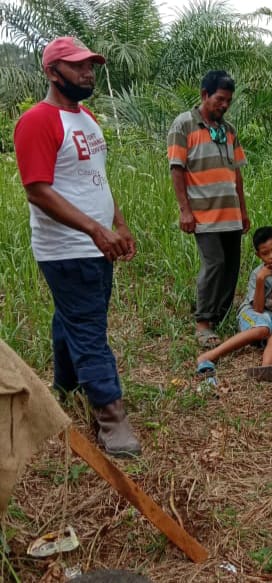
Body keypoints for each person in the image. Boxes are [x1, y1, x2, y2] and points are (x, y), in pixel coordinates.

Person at [13, 37, 141, 457]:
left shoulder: (86, 117)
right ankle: (111, 418)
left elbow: (96, 180)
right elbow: (37, 190)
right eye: (78, 66)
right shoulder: (37, 120)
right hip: (68, 248)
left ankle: (64, 386)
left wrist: (117, 223)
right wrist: (92, 229)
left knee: (74, 315)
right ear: (53, 72)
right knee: (89, 329)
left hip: (94, 243)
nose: (89, 72)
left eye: (91, 65)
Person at [167, 69, 249, 348]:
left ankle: (220, 318)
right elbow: (177, 169)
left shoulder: (228, 131)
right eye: (220, 99)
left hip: (231, 213)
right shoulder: (184, 125)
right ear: (204, 95)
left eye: (228, 101)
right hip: (204, 214)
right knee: (214, 263)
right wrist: (184, 211)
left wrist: (244, 211)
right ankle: (203, 322)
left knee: (231, 268)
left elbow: (236, 173)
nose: (224, 105)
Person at [195, 226, 272, 383]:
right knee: (263, 329)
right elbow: (258, 309)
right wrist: (260, 281)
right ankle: (210, 355)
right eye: (266, 253)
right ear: (258, 255)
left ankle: (266, 367)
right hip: (252, 312)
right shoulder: (257, 274)